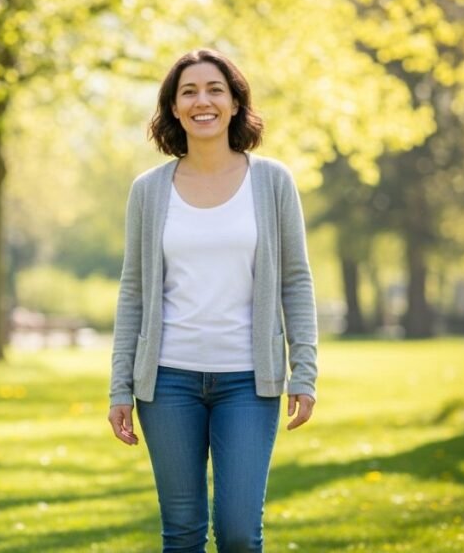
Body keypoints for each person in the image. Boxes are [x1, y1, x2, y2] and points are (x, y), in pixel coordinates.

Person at [107, 48, 318, 553]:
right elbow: (133, 292)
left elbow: (296, 281)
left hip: (248, 382)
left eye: (215, 89)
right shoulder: (148, 191)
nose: (203, 101)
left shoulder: (272, 182)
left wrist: (304, 372)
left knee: (240, 534)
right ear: (174, 109)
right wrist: (120, 386)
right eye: (189, 92)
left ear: (235, 102)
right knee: (181, 534)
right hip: (167, 382)